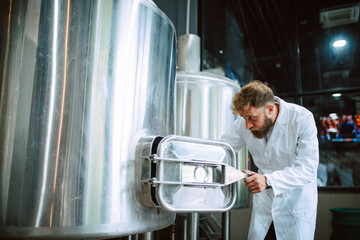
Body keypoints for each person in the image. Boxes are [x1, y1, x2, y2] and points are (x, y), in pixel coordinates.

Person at [221, 80, 319, 240]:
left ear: (270, 109)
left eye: (252, 118)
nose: (247, 126)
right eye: (244, 118)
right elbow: (223, 149)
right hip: (265, 204)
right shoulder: (244, 121)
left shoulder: (301, 119)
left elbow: (307, 170)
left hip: (294, 204)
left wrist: (268, 180)